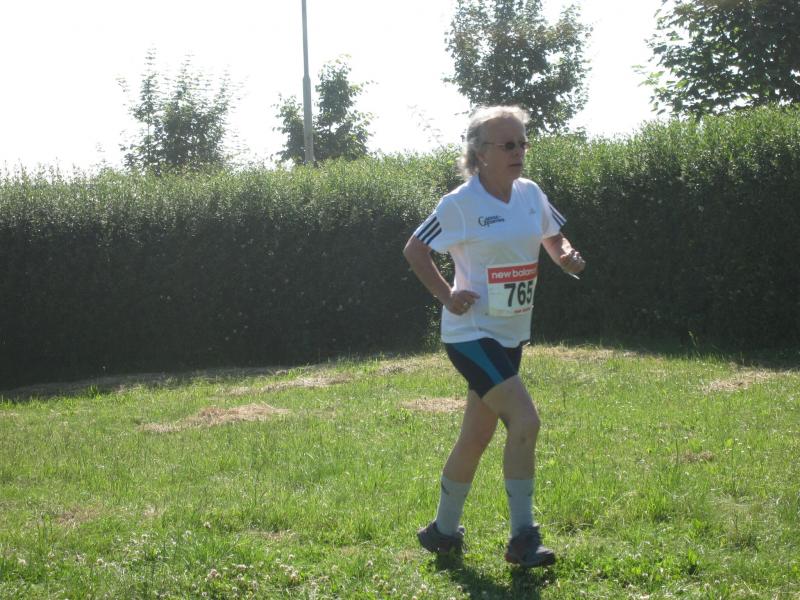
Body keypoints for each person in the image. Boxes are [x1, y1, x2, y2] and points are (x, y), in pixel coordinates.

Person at [403, 105, 585, 568]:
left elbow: (553, 236)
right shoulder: (459, 204)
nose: (518, 151)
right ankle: (523, 537)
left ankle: (442, 532)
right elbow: (415, 249)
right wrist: (447, 295)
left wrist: (565, 256)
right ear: (480, 152)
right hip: (471, 334)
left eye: (523, 143)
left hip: (511, 334)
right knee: (526, 421)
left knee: (476, 435)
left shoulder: (531, 194)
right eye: (508, 145)